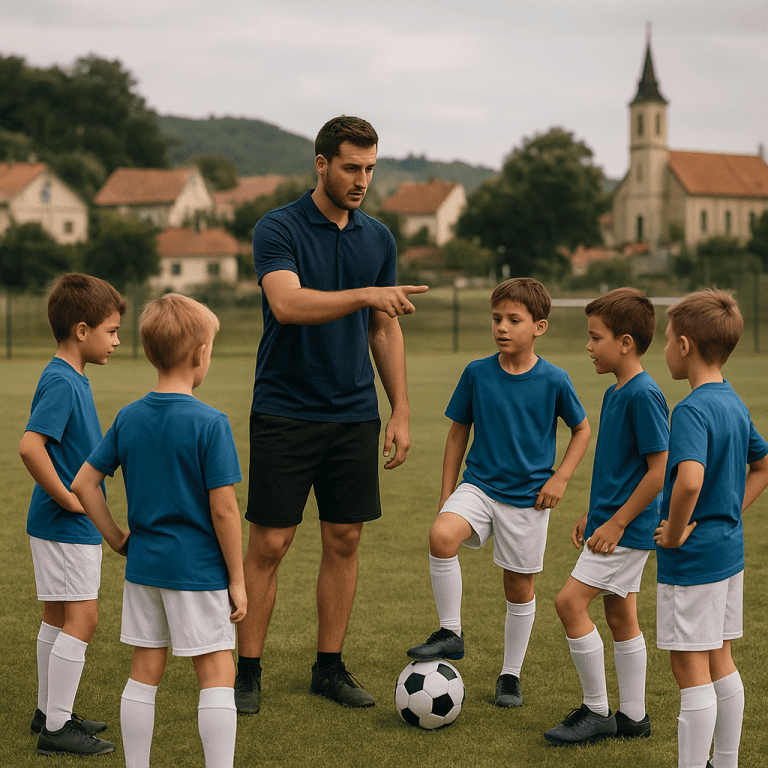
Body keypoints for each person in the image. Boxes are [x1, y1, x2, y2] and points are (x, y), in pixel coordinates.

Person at [235, 115, 428, 714]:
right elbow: (287, 303)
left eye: (370, 168)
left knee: (344, 538)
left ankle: (329, 667)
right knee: (270, 542)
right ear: (321, 164)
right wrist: (367, 294)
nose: (362, 180)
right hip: (284, 409)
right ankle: (246, 672)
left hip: (353, 414)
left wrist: (400, 410)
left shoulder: (378, 239)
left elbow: (384, 327)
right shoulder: (278, 227)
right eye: (351, 167)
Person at [72, 294, 246, 768]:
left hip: (144, 568)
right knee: (217, 673)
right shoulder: (211, 423)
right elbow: (225, 511)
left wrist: (117, 538)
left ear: (151, 353)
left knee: (145, 670)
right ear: (200, 354)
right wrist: (237, 579)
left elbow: (84, 483)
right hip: (198, 571)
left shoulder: (129, 416)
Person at [406, 277, 591, 708]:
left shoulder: (555, 379)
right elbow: (458, 433)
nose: (502, 327)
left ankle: (510, 675)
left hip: (528, 499)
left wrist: (561, 478)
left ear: (539, 327)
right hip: (479, 485)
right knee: (441, 535)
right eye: (496, 318)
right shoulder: (477, 372)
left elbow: (581, 430)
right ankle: (451, 632)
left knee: (518, 587)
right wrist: (447, 493)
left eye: (513, 320)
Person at [544, 288, 669, 745]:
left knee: (568, 603)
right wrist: (595, 513)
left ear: (626, 343)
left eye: (596, 337)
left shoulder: (644, 394)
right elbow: (622, 469)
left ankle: (596, 711)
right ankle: (633, 717)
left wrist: (616, 523)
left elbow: (659, 471)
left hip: (626, 532)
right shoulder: (617, 391)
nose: (588, 345)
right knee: (620, 615)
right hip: (613, 524)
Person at [654, 290, 768, 768]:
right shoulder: (734, 402)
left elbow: (690, 480)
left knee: (690, 667)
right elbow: (763, 465)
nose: (664, 349)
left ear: (684, 345)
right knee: (721, 658)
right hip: (727, 553)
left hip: (693, 560)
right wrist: (729, 511)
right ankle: (725, 762)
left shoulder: (691, 410)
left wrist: (675, 532)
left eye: (666, 340)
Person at [19, 273, 126, 756]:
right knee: (83, 618)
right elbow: (30, 447)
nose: (117, 341)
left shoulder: (68, 375)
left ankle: (48, 711)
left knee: (58, 617)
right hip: (64, 525)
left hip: (57, 526)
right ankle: (58, 729)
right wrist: (67, 498)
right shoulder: (63, 381)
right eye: (111, 331)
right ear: (82, 330)